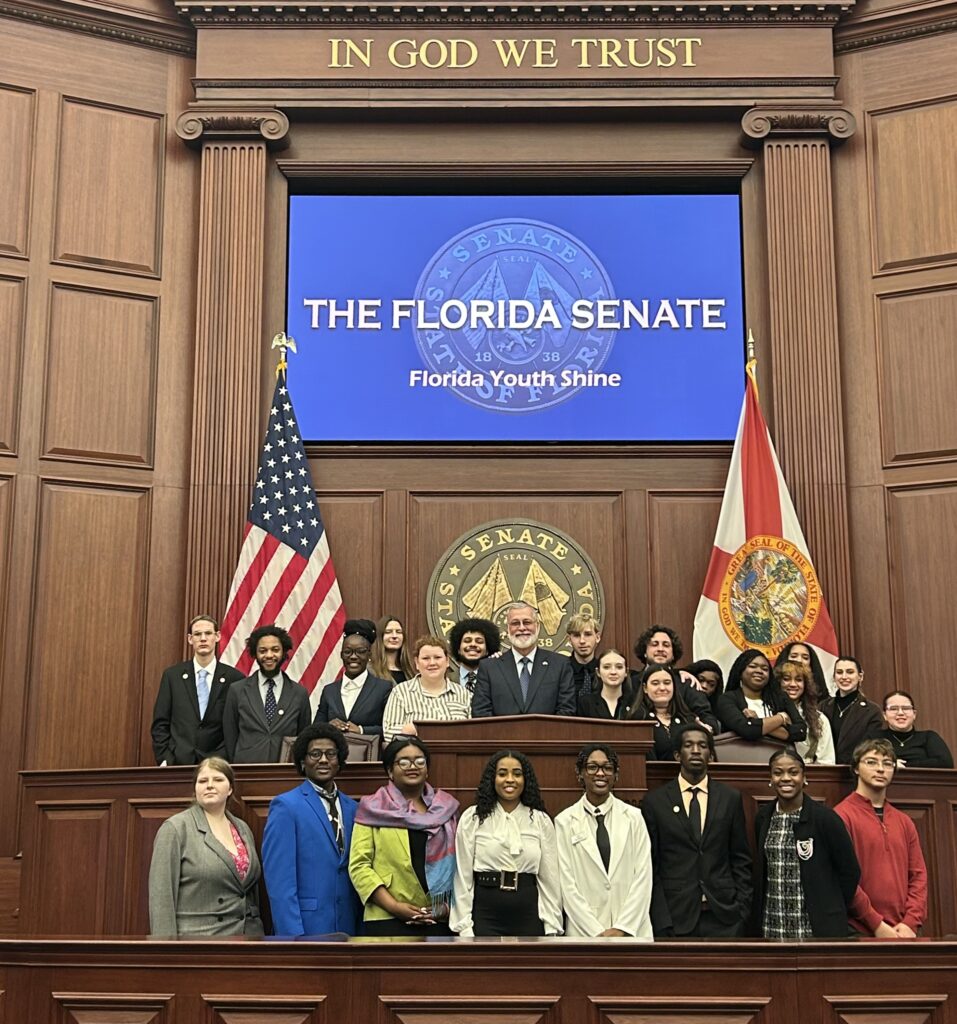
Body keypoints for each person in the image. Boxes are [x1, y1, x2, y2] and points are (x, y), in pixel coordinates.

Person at [640, 723, 752, 937]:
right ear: (676, 755)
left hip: (724, 917)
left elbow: (741, 859)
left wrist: (742, 911)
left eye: (702, 745)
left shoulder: (730, 799)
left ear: (710, 756)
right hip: (675, 919)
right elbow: (651, 866)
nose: (695, 750)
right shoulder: (655, 802)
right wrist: (661, 919)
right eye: (688, 745)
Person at [349, 737, 459, 935]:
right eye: (404, 761)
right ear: (390, 771)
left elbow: (461, 865)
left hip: (439, 918)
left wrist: (446, 909)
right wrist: (394, 906)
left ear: (427, 769)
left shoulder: (447, 807)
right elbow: (359, 866)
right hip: (387, 917)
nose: (412, 766)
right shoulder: (373, 808)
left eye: (419, 761)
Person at [261, 724, 361, 936]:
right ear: (302, 762)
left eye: (331, 754)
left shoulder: (354, 808)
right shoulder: (285, 806)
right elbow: (280, 882)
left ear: (340, 760)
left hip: (349, 928)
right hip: (305, 929)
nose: (323, 760)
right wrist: (293, 937)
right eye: (315, 754)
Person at [450, 750, 562, 937]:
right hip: (485, 912)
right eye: (502, 774)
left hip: (529, 912)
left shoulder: (540, 820)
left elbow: (550, 879)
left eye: (517, 774)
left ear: (526, 780)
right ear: (492, 779)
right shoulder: (473, 818)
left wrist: (551, 924)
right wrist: (464, 926)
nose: (510, 779)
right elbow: (462, 876)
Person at [148, 757, 263, 937]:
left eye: (218, 779)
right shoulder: (176, 828)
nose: (209, 785)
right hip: (201, 942)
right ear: (195, 789)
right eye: (203, 781)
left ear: (230, 788)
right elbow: (161, 897)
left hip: (248, 940)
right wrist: (166, 952)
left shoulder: (242, 828)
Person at [754, 748, 860, 938]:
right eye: (778, 773)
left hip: (816, 928)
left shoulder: (826, 818)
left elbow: (850, 871)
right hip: (772, 924)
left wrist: (829, 905)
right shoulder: (764, 817)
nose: (785, 778)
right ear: (770, 779)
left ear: (804, 778)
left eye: (793, 772)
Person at [555, 743, 654, 939]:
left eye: (607, 768)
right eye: (592, 767)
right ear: (580, 773)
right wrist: (597, 933)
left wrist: (622, 928)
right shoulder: (564, 821)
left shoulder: (634, 817)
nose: (600, 773)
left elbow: (643, 877)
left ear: (615, 775)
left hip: (632, 931)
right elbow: (567, 885)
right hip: (584, 933)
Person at [836, 739, 928, 937]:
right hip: (859, 930)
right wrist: (877, 924)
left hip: (905, 931)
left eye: (887, 764)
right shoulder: (841, 816)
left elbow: (918, 876)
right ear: (856, 769)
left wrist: (910, 922)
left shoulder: (904, 821)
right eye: (871, 762)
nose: (880, 769)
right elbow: (845, 880)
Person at [151, 614, 244, 766]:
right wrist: (165, 757)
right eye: (197, 634)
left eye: (208, 633)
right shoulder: (172, 676)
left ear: (218, 636)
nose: (203, 638)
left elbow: (238, 725)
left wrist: (228, 758)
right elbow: (160, 722)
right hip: (178, 762)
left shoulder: (235, 678)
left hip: (219, 763)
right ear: (190, 639)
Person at [223, 625, 312, 763]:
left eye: (275, 650)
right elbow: (230, 735)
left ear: (283, 652)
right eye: (263, 651)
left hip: (286, 771)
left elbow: (304, 736)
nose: (269, 655)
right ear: (255, 654)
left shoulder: (299, 693)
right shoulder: (237, 690)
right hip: (246, 771)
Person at [471, 601, 577, 718]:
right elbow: (481, 713)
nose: (521, 628)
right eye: (515, 623)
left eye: (527, 622)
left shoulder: (560, 665)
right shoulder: (489, 668)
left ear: (537, 626)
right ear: (508, 629)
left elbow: (566, 710)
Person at [381, 635, 472, 742]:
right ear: (417, 663)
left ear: (447, 661)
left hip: (457, 755)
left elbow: (473, 732)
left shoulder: (463, 694)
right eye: (426, 658)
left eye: (437, 657)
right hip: (415, 755)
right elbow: (388, 732)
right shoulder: (401, 692)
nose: (432, 663)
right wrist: (412, 730)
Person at [630, 624, 718, 731]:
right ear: (644, 651)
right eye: (654, 644)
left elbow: (708, 718)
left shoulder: (687, 682)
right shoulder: (631, 682)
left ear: (673, 654)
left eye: (666, 645)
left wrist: (707, 729)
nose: (660, 649)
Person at [314, 619, 392, 736]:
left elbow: (390, 728)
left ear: (369, 655)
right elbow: (315, 729)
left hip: (370, 753)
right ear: (341, 655)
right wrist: (328, 726)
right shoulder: (329, 691)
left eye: (360, 651)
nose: (353, 657)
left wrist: (361, 730)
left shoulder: (383, 688)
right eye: (347, 652)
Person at [716, 648, 807, 744]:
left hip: (780, 756)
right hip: (740, 757)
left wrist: (756, 721)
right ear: (740, 671)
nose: (759, 671)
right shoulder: (727, 699)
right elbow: (747, 730)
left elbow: (800, 732)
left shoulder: (781, 698)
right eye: (753, 666)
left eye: (765, 669)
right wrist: (780, 718)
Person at [626, 665, 702, 760]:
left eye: (667, 683)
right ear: (645, 688)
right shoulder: (638, 719)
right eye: (655, 683)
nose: (662, 688)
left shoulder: (687, 719)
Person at [819, 655, 884, 764]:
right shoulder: (822, 706)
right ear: (834, 677)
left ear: (860, 676)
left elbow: (871, 746)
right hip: (825, 770)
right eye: (839, 672)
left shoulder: (872, 711)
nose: (844, 677)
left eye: (850, 672)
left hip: (855, 770)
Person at [774, 661, 836, 765]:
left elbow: (827, 761)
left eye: (798, 680)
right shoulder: (766, 711)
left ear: (805, 685)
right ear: (778, 682)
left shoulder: (819, 719)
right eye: (786, 679)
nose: (793, 684)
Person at [877, 690, 954, 769]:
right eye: (893, 709)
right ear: (884, 715)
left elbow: (945, 763)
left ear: (914, 714)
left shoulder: (928, 737)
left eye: (906, 708)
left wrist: (901, 766)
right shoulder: (875, 738)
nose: (900, 713)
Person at [448, 617, 501, 693]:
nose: (473, 644)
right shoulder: (445, 680)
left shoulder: (499, 679)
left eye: (479, 641)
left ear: (487, 650)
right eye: (467, 641)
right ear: (458, 649)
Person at [577, 648, 633, 719]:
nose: (613, 672)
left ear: (626, 672)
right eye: (606, 667)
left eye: (619, 667)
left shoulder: (636, 703)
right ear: (598, 672)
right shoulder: (585, 703)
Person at [563, 612, 602, 698]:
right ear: (569, 640)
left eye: (588, 634)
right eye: (576, 635)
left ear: (597, 637)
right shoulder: (560, 671)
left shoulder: (604, 670)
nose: (582, 641)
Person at [369, 615, 414, 684]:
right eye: (388, 632)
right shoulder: (370, 671)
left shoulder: (411, 672)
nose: (394, 636)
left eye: (398, 632)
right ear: (380, 637)